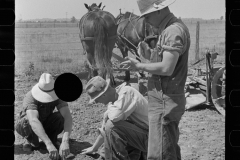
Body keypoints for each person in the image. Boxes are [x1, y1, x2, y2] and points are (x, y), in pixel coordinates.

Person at [121, 0, 191, 159]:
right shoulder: (169, 29)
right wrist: (145, 61)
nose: (145, 20)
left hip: (164, 102)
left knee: (159, 154)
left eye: (147, 15)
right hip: (163, 100)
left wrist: (139, 66)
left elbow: (167, 68)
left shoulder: (172, 31)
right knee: (168, 149)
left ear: (159, 9)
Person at [81, 76, 149, 160]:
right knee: (111, 135)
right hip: (142, 136)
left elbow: (113, 120)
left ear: (104, 94)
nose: (96, 102)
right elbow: (105, 130)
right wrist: (94, 148)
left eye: (96, 99)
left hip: (153, 140)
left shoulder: (126, 92)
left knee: (112, 127)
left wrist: (107, 114)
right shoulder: (115, 102)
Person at [15, 73, 73, 160]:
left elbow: (67, 116)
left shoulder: (58, 95)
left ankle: (52, 139)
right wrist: (48, 145)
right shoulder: (30, 96)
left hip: (45, 121)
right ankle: (31, 141)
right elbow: (33, 121)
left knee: (60, 117)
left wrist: (65, 141)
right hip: (31, 125)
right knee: (27, 120)